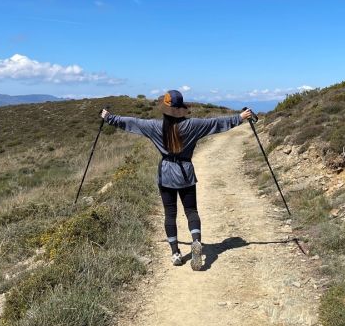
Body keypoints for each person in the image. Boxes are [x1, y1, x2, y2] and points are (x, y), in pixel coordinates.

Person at [102, 90, 253, 270]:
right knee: (191, 210)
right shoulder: (194, 125)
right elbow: (217, 123)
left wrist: (109, 118)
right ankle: (196, 241)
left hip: (166, 173)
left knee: (170, 213)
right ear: (181, 108)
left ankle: (175, 253)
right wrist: (240, 117)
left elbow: (131, 122)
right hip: (186, 173)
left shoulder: (154, 127)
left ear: (165, 109)